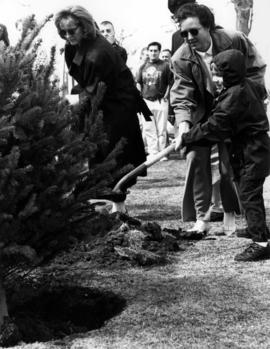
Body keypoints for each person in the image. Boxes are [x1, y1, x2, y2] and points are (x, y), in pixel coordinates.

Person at [170, 3, 266, 234]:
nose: (189, 38)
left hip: (234, 109)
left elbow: (256, 69)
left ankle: (230, 215)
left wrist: (243, 97)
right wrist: (184, 126)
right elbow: (182, 95)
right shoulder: (180, 57)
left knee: (228, 164)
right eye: (184, 33)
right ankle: (201, 219)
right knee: (195, 157)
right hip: (202, 111)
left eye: (194, 31)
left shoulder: (234, 39)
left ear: (208, 27)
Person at [176, 49, 270, 261]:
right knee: (249, 194)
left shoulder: (235, 95)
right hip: (253, 149)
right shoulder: (245, 87)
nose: (215, 79)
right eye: (214, 74)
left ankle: (261, 243)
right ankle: (259, 229)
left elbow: (215, 126)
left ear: (233, 73)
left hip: (252, 152)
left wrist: (187, 137)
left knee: (249, 195)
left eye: (219, 74)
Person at [54, 5, 149, 213]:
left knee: (114, 154)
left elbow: (96, 90)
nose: (68, 36)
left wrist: (69, 103)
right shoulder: (74, 45)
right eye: (64, 32)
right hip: (97, 101)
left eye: (72, 31)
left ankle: (118, 208)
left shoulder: (99, 53)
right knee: (96, 152)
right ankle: (106, 206)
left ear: (85, 27)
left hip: (116, 107)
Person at [136, 41, 171, 160]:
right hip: (146, 101)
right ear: (148, 52)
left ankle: (162, 153)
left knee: (161, 129)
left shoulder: (165, 66)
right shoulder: (142, 66)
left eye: (155, 51)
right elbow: (138, 83)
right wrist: (140, 96)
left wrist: (166, 96)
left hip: (161, 101)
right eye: (151, 51)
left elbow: (170, 83)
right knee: (148, 128)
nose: (153, 53)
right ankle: (153, 152)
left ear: (159, 52)